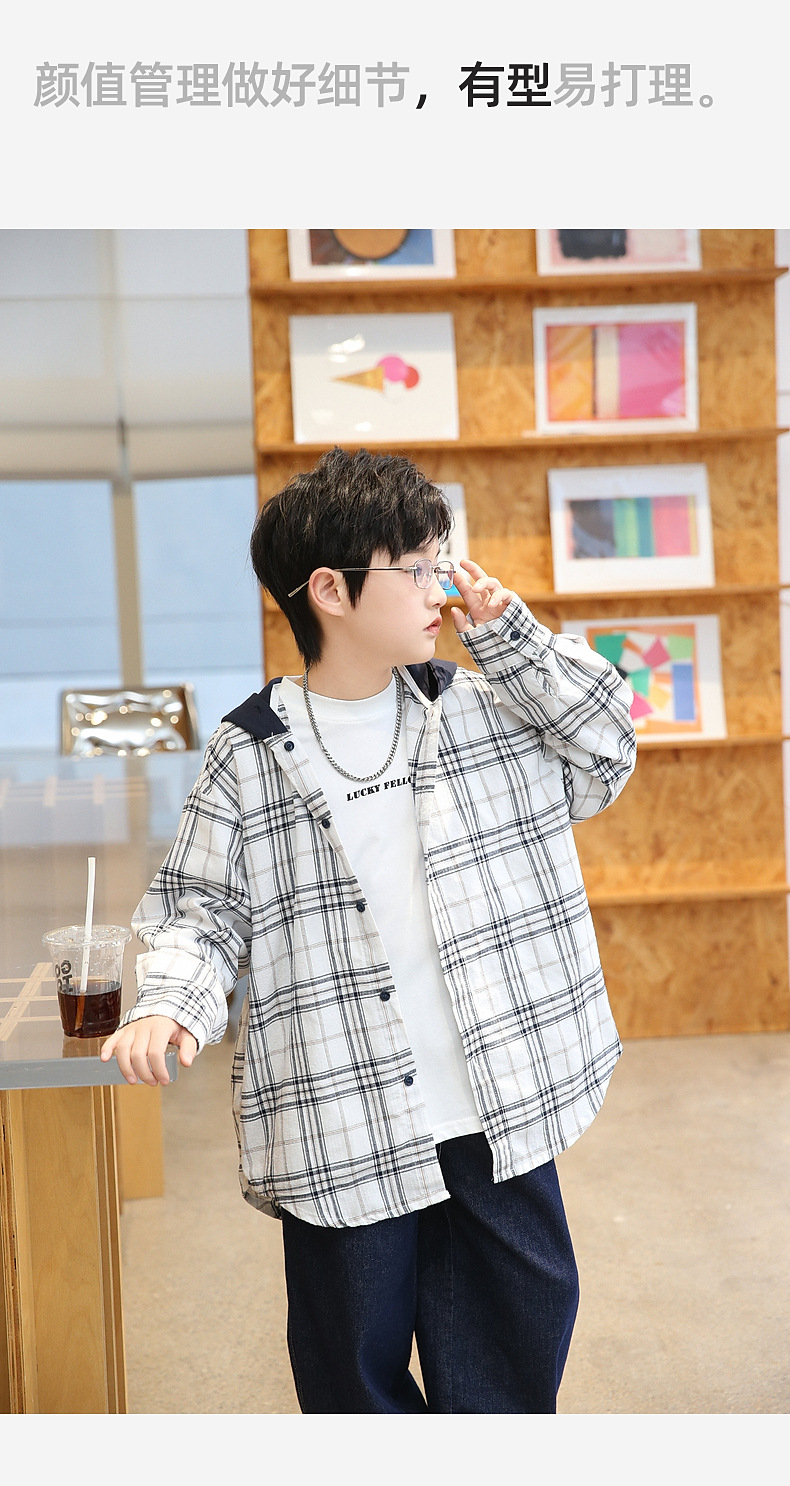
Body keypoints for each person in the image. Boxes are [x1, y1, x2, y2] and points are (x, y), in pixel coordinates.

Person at [102, 446, 637, 1414]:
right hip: (341, 1112)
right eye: (418, 566)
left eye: (442, 560)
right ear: (329, 591)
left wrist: (511, 636)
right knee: (352, 1367)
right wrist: (169, 1003)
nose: (445, 585)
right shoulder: (250, 752)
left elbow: (608, 749)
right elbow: (200, 907)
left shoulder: (483, 711)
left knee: (515, 1346)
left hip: (494, 1097)